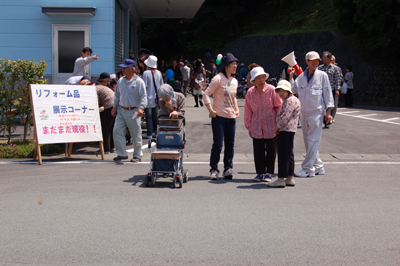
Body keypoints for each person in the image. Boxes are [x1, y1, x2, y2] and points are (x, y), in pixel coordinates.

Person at [289, 51, 334, 177]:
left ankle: (308, 168)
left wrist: (329, 111)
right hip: (304, 113)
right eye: (312, 60)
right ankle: (318, 166)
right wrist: (291, 78)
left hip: (317, 113)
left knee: (313, 140)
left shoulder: (322, 75)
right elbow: (293, 90)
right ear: (307, 61)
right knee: (308, 141)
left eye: (317, 60)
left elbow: (327, 93)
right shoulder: (301, 77)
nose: (315, 62)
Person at [203, 53, 240, 180]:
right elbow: (206, 94)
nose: (235, 66)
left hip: (231, 117)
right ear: (226, 65)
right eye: (233, 63)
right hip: (218, 116)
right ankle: (214, 169)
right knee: (218, 144)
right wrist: (210, 110)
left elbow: (233, 97)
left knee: (230, 144)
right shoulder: (217, 79)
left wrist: (236, 109)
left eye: (236, 63)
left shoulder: (235, 80)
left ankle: (228, 168)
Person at [244, 66, 282, 182]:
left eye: (263, 77)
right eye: (258, 78)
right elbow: (248, 111)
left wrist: (279, 125)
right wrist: (249, 126)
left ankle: (269, 172)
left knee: (271, 150)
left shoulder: (271, 90)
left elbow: (279, 106)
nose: (261, 80)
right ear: (253, 81)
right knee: (258, 150)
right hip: (256, 125)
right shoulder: (250, 92)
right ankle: (260, 172)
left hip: (271, 125)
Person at [112, 59, 147, 162]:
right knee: (117, 130)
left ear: (132, 68)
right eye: (122, 68)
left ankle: (137, 155)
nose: (122, 70)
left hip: (134, 110)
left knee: (135, 133)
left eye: (125, 68)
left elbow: (144, 96)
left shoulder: (139, 81)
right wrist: (114, 107)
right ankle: (122, 153)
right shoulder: (121, 81)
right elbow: (117, 95)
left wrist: (141, 108)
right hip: (121, 110)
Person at [267, 80, 301, 188]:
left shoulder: (290, 101)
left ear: (288, 90)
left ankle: (281, 178)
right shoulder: (292, 99)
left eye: (283, 90)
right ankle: (290, 177)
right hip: (289, 130)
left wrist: (277, 127)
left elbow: (285, 117)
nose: (281, 93)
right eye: (279, 91)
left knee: (283, 154)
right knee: (289, 153)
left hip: (286, 130)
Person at [142, 55, 164, 139]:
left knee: (148, 116)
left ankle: (149, 133)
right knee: (155, 116)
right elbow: (161, 85)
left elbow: (144, 86)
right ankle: (156, 131)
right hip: (157, 98)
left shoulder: (146, 73)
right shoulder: (158, 73)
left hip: (148, 98)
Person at [318, 51, 340, 128]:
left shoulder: (335, 68)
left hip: (331, 89)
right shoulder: (320, 68)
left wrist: (337, 89)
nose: (322, 59)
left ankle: (329, 119)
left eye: (324, 57)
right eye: (322, 57)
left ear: (329, 58)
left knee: (331, 105)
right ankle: (323, 119)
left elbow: (337, 79)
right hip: (321, 89)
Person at [95, 72, 115, 155]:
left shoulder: (97, 88)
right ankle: (112, 147)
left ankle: (106, 148)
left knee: (105, 128)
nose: (108, 82)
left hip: (108, 107)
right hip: (115, 106)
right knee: (112, 128)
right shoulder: (106, 88)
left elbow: (95, 101)